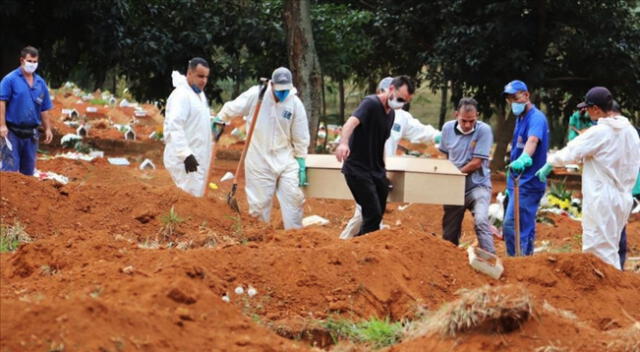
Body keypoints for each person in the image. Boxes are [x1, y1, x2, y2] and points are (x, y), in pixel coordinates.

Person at [535, 87, 640, 270]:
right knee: (611, 247)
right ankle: (612, 288)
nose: (586, 112)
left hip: (602, 197)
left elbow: (571, 151)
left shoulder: (600, 132)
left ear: (596, 109)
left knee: (597, 250)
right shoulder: (629, 131)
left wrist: (550, 163)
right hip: (623, 197)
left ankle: (602, 293)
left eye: (588, 108)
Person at [339, 77, 439, 239]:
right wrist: (343, 143)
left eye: (404, 101)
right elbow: (350, 123)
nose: (400, 103)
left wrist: (382, 172)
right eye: (399, 98)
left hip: (376, 170)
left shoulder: (392, 115)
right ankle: (360, 247)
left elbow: (382, 144)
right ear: (391, 89)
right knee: (371, 213)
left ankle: (360, 241)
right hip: (358, 169)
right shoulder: (370, 103)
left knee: (377, 211)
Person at [216, 67, 309, 229]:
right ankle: (259, 240)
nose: (282, 94)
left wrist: (301, 159)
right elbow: (233, 107)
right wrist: (220, 119)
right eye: (279, 90)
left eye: (285, 91)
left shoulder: (294, 103)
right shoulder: (257, 95)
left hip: (285, 159)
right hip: (259, 159)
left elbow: (300, 134)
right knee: (259, 206)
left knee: (295, 198)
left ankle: (294, 238)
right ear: (272, 85)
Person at [439, 98, 495, 253]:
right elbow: (444, 156)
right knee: (449, 231)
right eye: (464, 121)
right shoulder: (447, 128)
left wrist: (456, 174)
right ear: (456, 114)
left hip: (477, 185)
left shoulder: (484, 130)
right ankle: (450, 262)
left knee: (481, 221)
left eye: (472, 121)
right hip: (454, 188)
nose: (467, 125)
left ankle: (491, 259)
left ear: (477, 115)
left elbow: (477, 162)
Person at [502, 80, 549, 256]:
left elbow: (533, 140)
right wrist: (509, 186)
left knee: (513, 224)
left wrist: (525, 158)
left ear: (526, 95)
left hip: (530, 182)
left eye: (515, 97)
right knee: (521, 225)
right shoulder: (520, 118)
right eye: (509, 99)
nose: (512, 103)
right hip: (518, 182)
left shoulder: (536, 118)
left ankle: (519, 262)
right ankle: (522, 261)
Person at [163, 57, 213, 197]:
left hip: (197, 158)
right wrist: (185, 154)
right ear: (189, 74)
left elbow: (197, 122)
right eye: (200, 76)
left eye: (206, 77)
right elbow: (175, 126)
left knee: (194, 199)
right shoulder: (181, 95)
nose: (204, 81)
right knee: (187, 200)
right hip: (184, 161)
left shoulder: (199, 95)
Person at [0, 46, 53, 175]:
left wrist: (47, 128)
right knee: (10, 171)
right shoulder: (10, 80)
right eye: (29, 61)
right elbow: (1, 102)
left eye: (35, 62)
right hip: (12, 132)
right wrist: (2, 125)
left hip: (31, 134)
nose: (32, 64)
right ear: (22, 60)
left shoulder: (40, 83)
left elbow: (44, 108)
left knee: (28, 173)